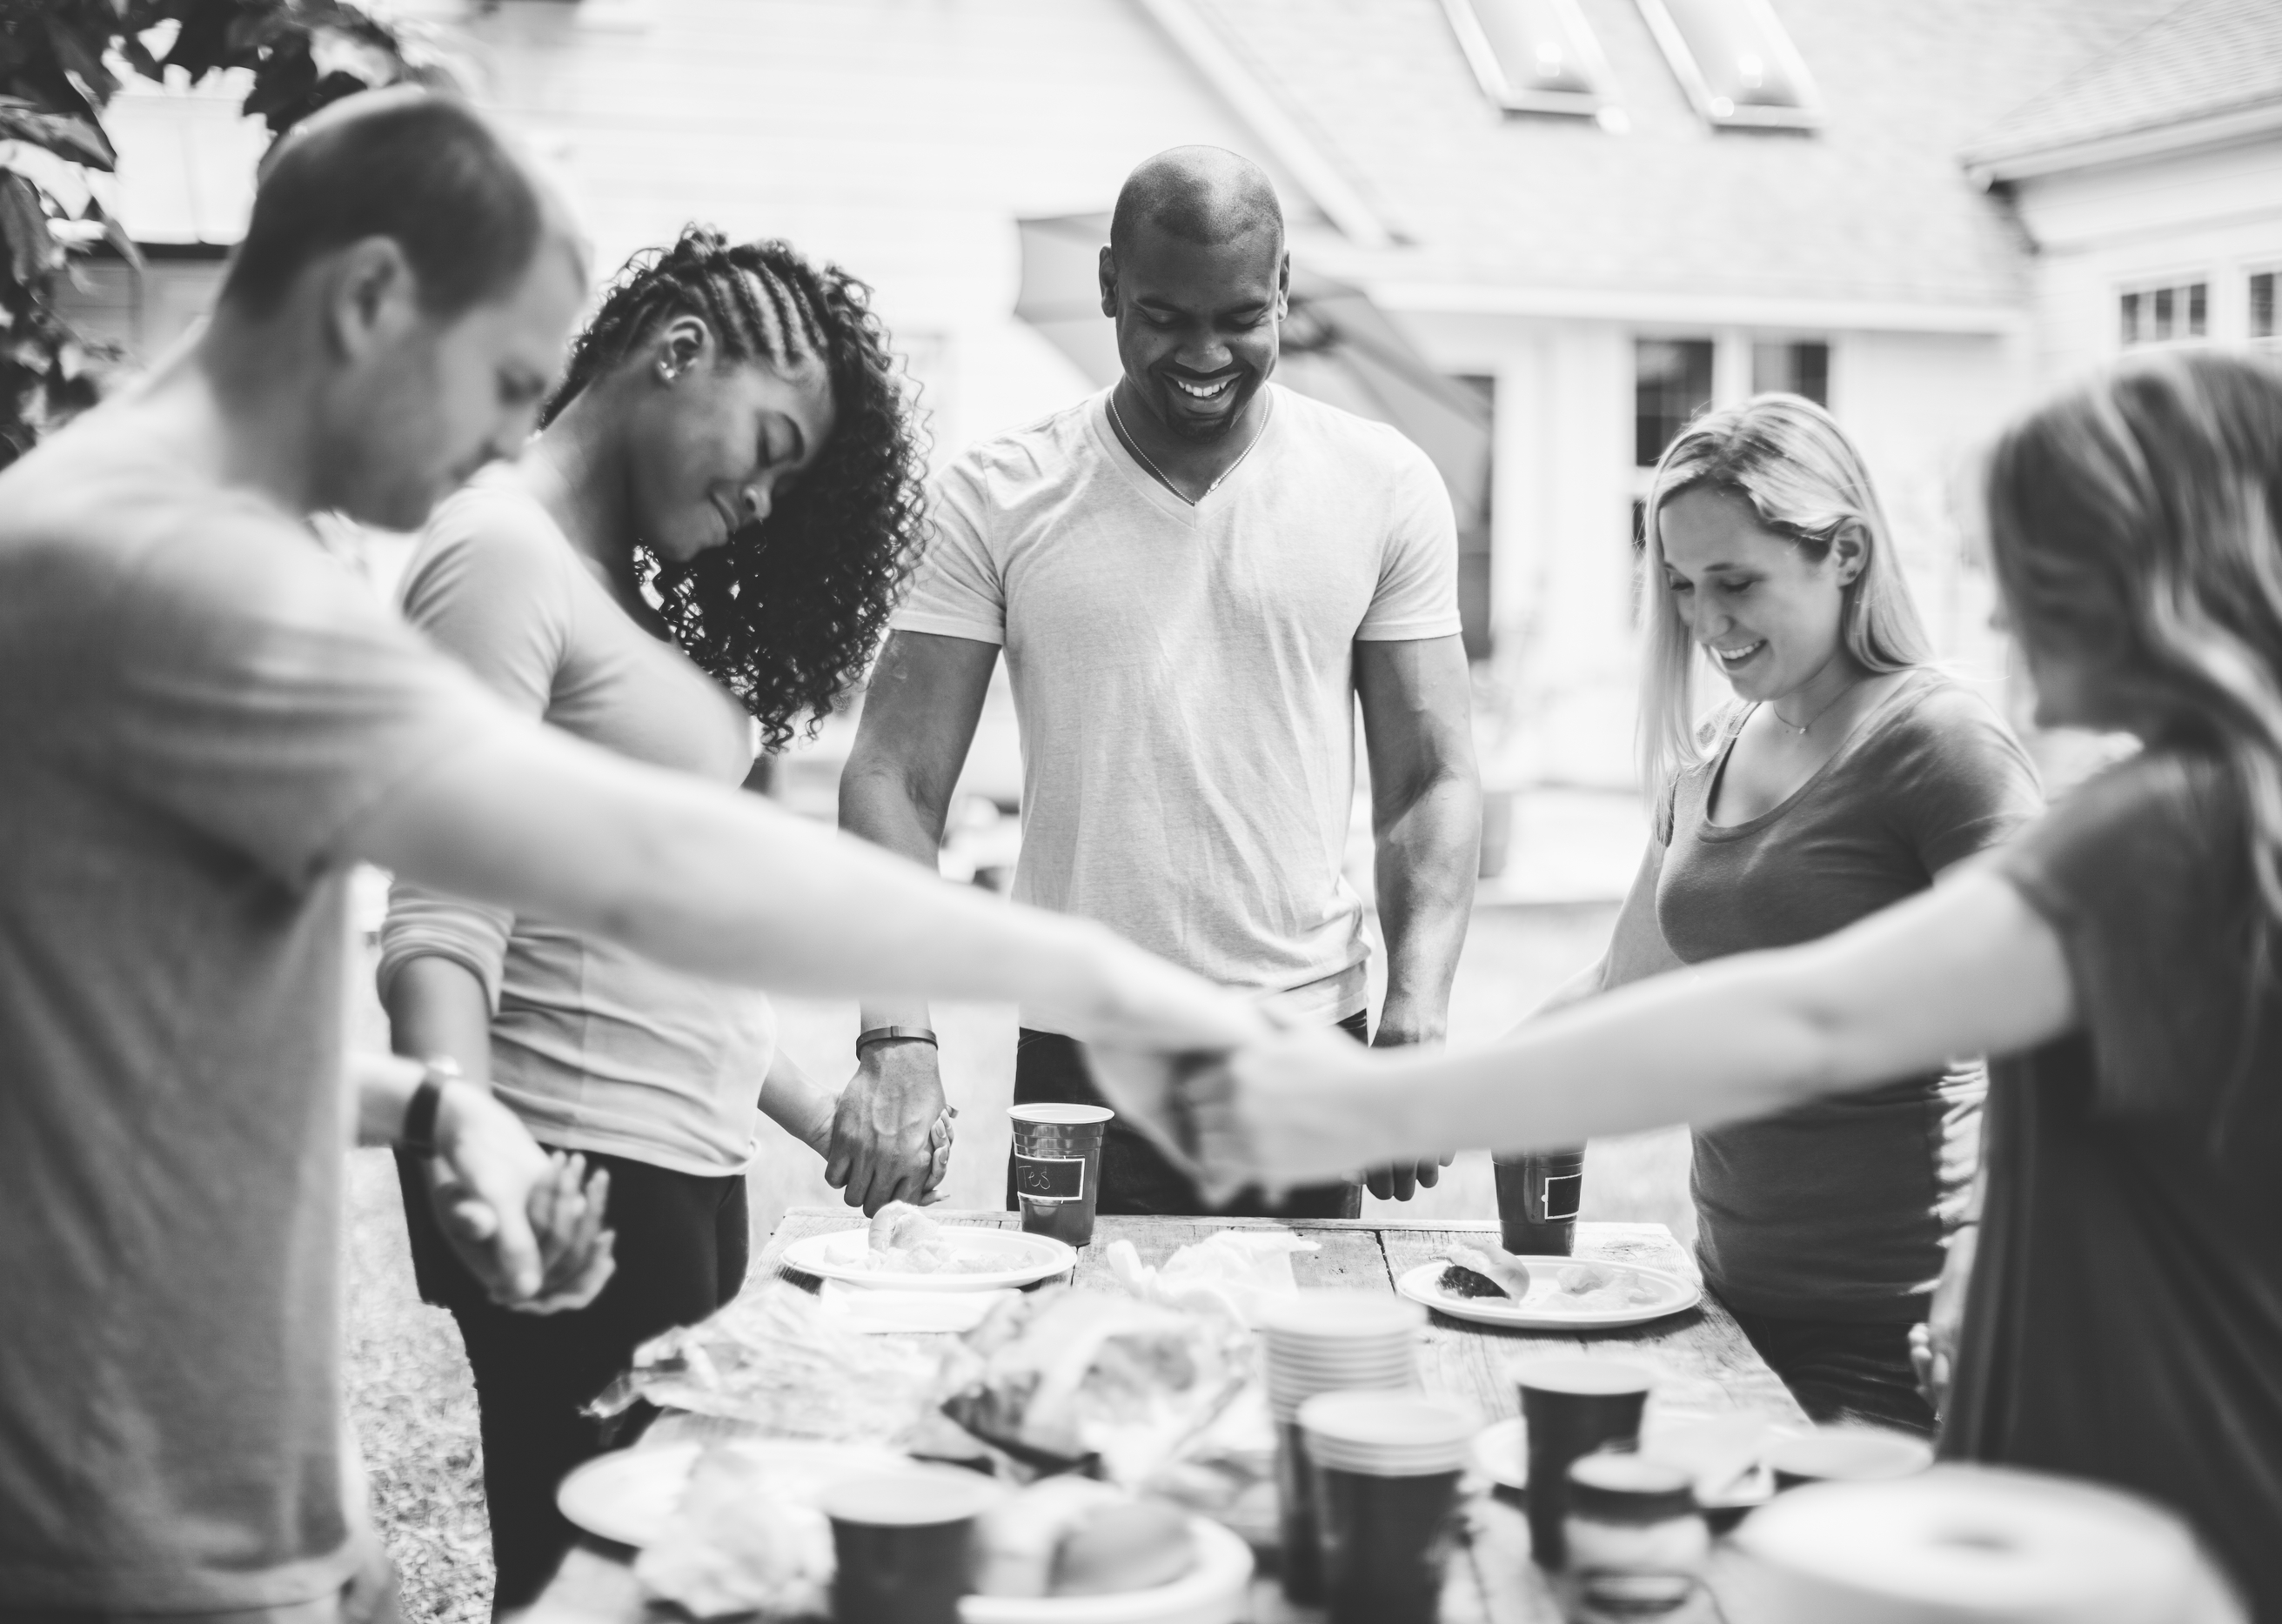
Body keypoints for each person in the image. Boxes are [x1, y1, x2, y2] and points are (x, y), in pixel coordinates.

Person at [0, 89, 1258, 1623]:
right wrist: (1101, 975)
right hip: (126, 1522)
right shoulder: (174, 567)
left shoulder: (142, 536)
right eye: (513, 378)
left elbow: (133, 1039)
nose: (503, 436)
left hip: (233, 1501)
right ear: (374, 298)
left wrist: (425, 1109)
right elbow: (635, 870)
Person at [1188, 351, 2282, 1621]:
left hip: (2178, 1529)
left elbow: (1807, 1019)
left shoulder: (2160, 833)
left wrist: (1372, 1104)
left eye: (2032, 574)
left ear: (2156, 578)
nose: (2000, 617)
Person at [377, 225, 943, 1609]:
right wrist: (477, 1146)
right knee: (587, 1582)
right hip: (570, 1175)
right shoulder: (501, 553)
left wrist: (815, 1112)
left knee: (662, 1576)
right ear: (677, 350)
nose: (765, 498)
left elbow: (645, 941)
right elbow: (441, 923)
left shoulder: (606, 578)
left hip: (666, 1174)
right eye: (769, 444)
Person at [837, 145, 1480, 1219]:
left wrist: (1417, 1004)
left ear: (1283, 289)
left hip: (1302, 1045)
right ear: (1106, 288)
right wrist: (895, 1031)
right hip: (1082, 1058)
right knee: (1079, 1365)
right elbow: (894, 777)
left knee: (1299, 1370)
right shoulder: (996, 495)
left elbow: (1430, 777)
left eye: (1238, 316)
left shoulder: (1383, 485)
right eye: (1164, 315)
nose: (1203, 352)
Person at [1535, 395, 2039, 1434]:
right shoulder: (1717, 745)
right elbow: (1622, 989)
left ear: (1844, 553)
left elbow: (2042, 1030)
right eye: (1680, 586)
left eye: (1736, 582)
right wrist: (1421, 1096)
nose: (1705, 621)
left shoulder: (1939, 744)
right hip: (1723, 1305)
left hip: (1901, 1328)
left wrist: (1984, 1260)